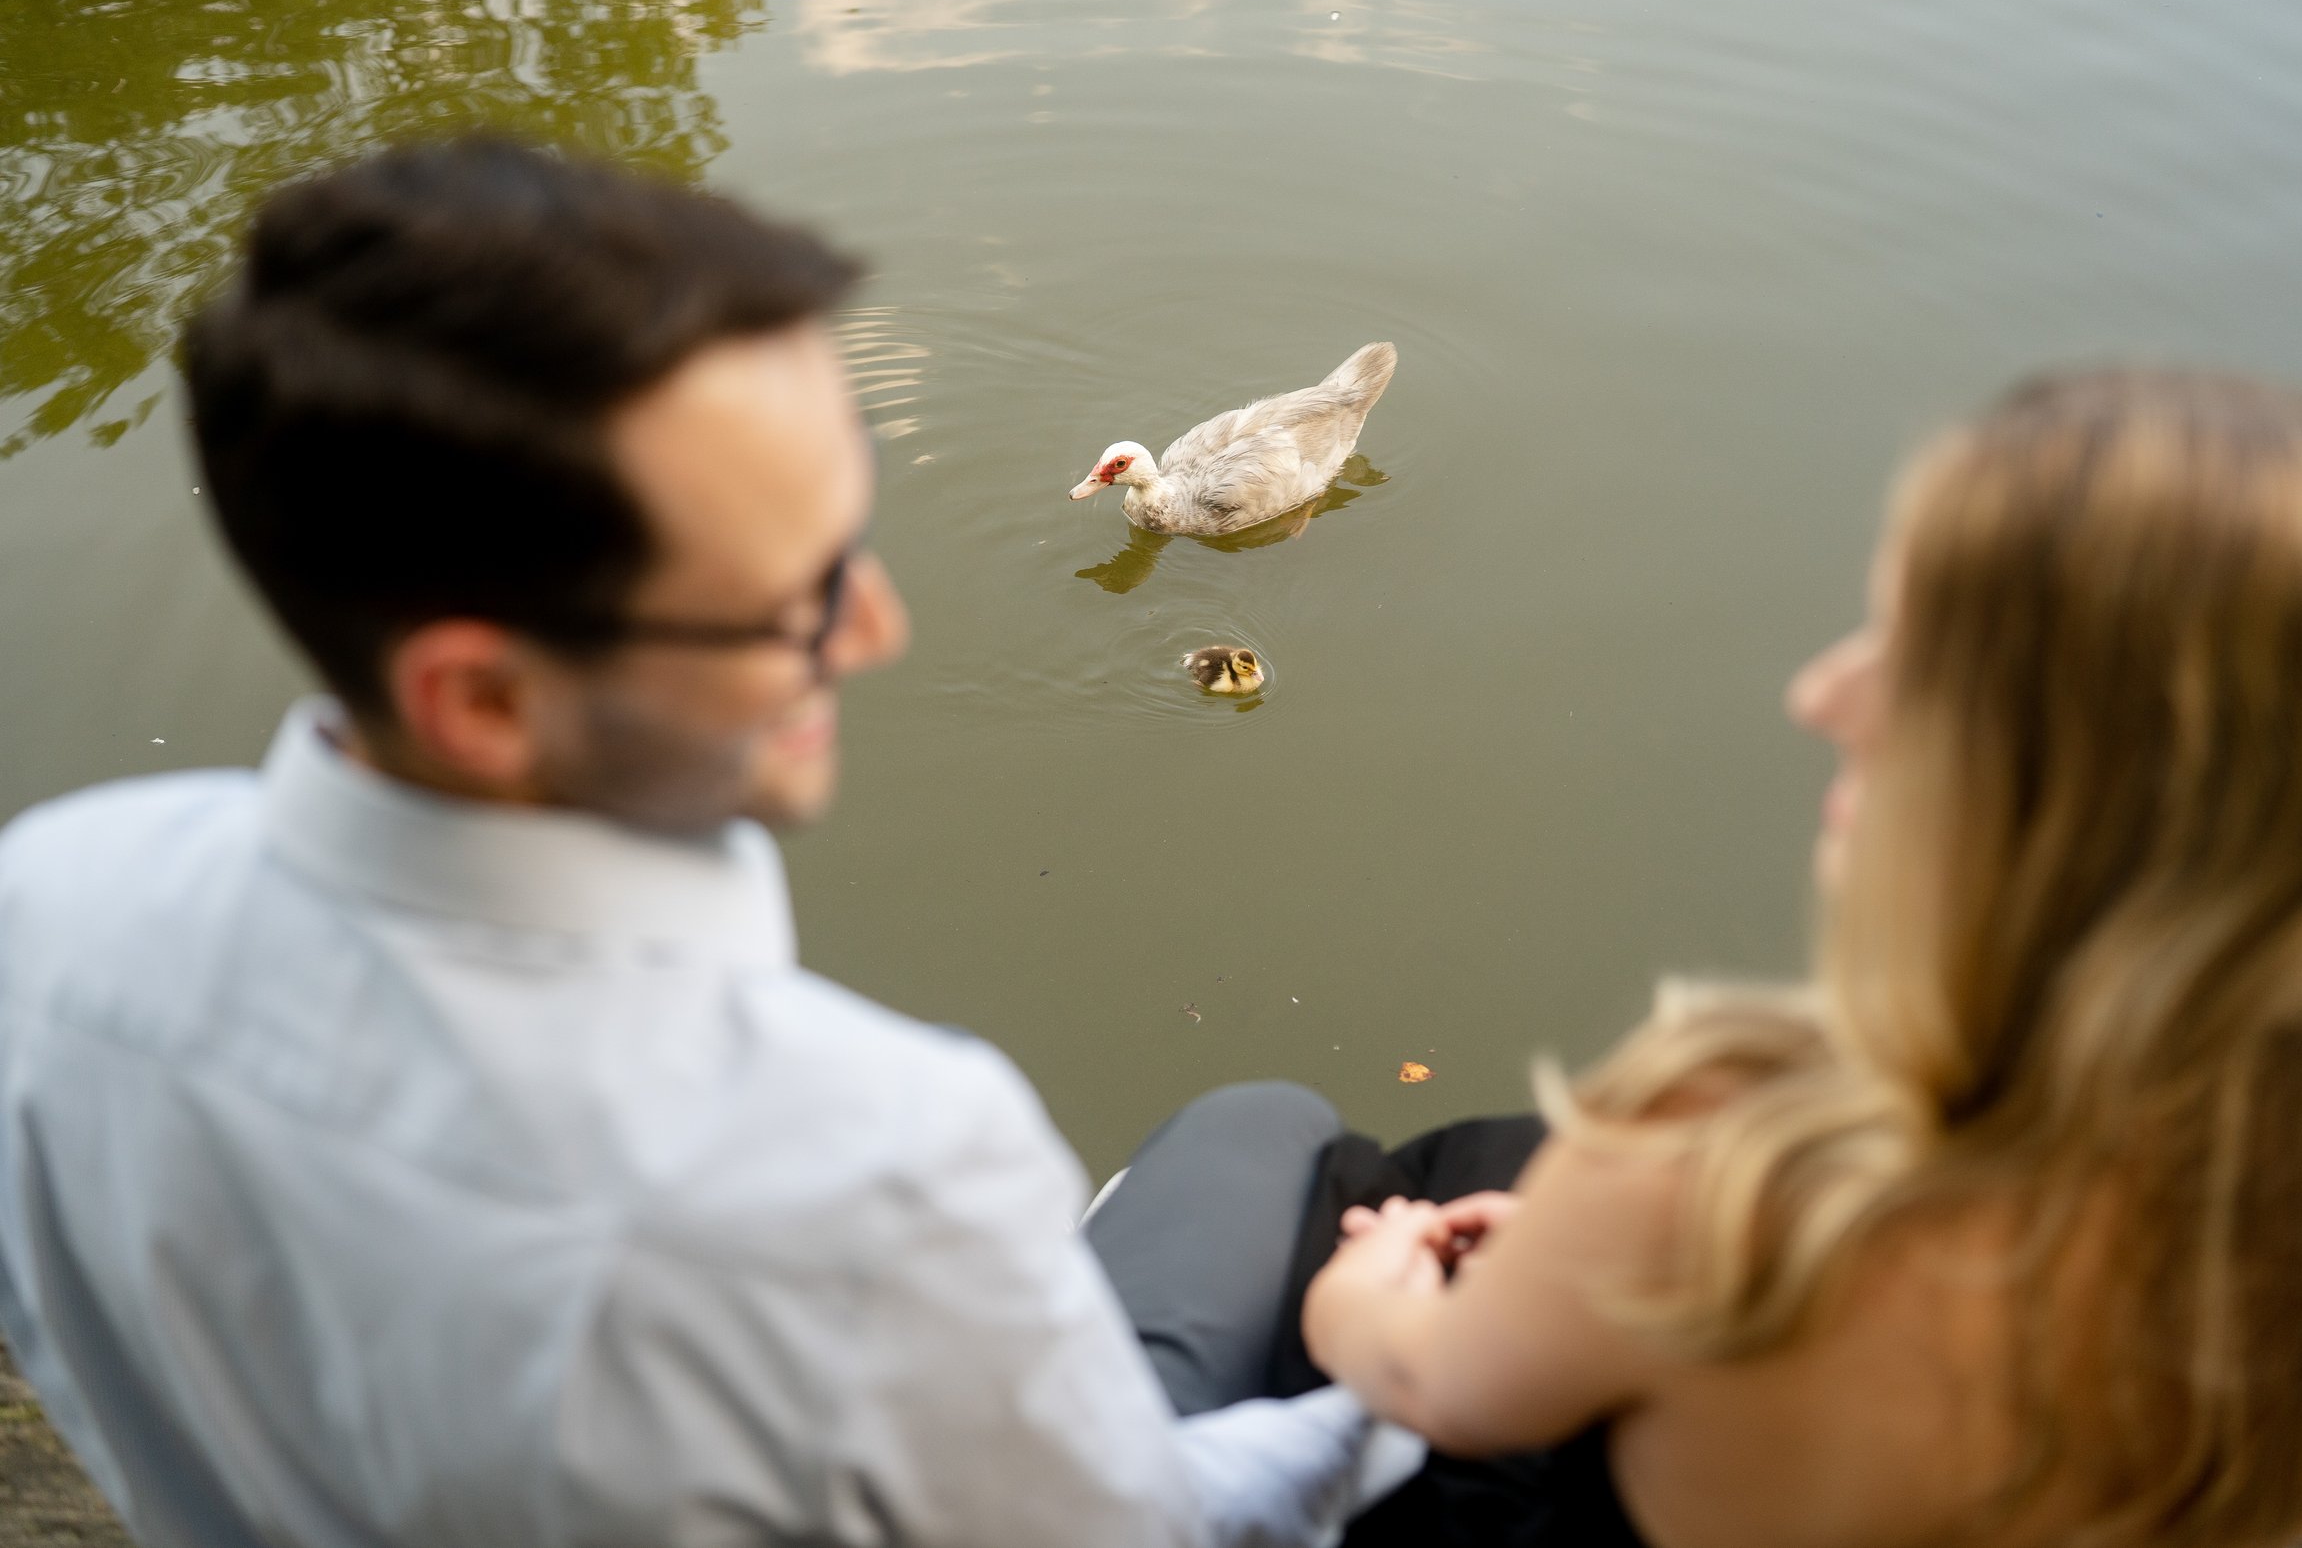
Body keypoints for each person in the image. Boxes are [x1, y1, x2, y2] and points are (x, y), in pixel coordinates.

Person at [0, 137, 1411, 1548]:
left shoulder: (47, 919)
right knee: (1290, 1146)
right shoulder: (894, 1160)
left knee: (1255, 1129)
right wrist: (1407, 1387)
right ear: (483, 698)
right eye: (791, 594)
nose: (876, 628)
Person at [1092, 368, 2302, 1548]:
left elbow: (1445, 1390)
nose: (1822, 694)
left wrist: (1364, 1304)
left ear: (2101, 779)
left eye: (1916, 658)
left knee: (1257, 1131)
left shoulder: (1713, 1149)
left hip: (1492, 1418)